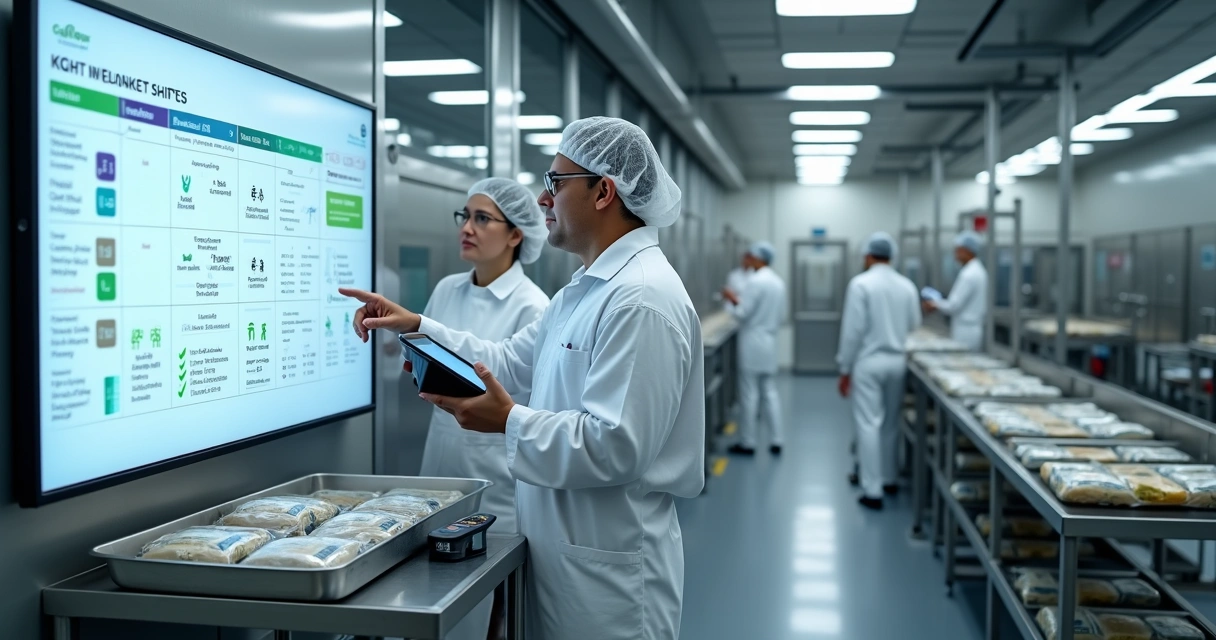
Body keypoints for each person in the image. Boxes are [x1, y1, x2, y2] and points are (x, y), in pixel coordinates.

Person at [340, 116, 704, 640]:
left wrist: (508, 422)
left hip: (609, 579)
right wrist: (416, 325)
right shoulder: (584, 291)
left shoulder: (642, 298)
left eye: (556, 182)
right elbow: (506, 361)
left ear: (603, 191)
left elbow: (617, 445)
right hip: (563, 557)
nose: (542, 198)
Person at [418, 178, 550, 640]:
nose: (467, 228)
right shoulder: (447, 290)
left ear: (516, 235)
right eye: (465, 216)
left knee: (489, 613)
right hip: (439, 468)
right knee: (437, 603)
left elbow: (514, 383)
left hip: (497, 482)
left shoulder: (533, 307)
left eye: (482, 218)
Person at [837, 232, 921, 510]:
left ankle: (872, 490)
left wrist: (845, 367)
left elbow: (853, 332)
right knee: (890, 423)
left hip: (869, 362)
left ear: (868, 256)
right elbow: (914, 323)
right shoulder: (907, 285)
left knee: (868, 424)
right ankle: (889, 478)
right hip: (898, 362)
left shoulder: (861, 284)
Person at [723, 241, 788, 456]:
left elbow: (742, 313)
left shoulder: (755, 281)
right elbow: (781, 316)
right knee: (769, 392)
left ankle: (748, 442)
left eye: (752, 256)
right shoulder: (778, 282)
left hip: (752, 341)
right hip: (769, 341)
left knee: (749, 394)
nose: (748, 259)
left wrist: (732, 299)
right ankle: (777, 439)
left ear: (760, 258)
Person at [923, 231, 988, 351]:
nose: (955, 255)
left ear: (967, 251)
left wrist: (935, 304)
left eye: (958, 251)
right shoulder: (978, 270)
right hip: (971, 328)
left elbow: (953, 306)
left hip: (965, 331)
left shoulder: (969, 274)